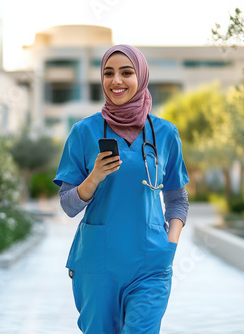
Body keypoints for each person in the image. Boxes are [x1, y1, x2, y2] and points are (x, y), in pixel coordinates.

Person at [53, 44, 189, 334]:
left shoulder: (165, 133)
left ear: (141, 77)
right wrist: (94, 177)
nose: (116, 80)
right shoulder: (84, 132)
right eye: (108, 73)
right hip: (97, 265)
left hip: (151, 262)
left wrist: (170, 245)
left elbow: (177, 199)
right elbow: (68, 205)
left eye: (126, 72)